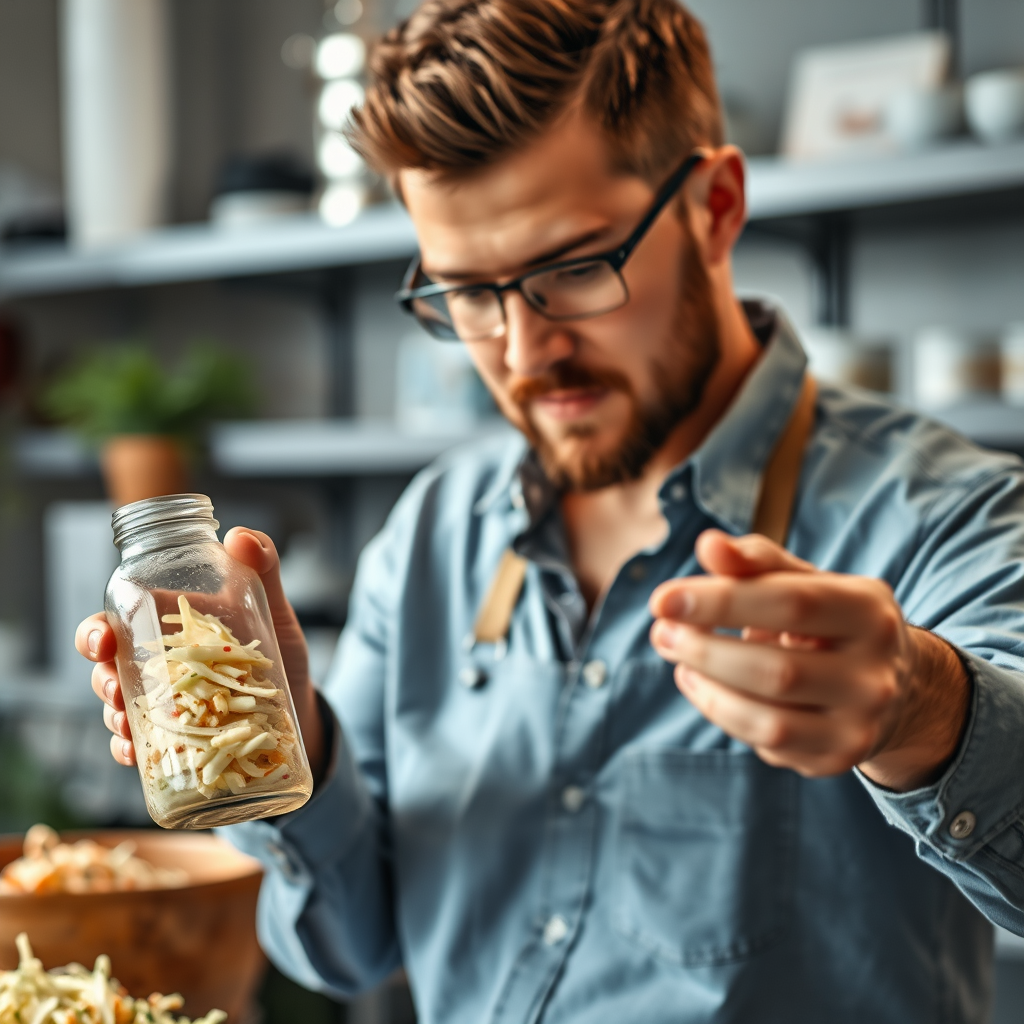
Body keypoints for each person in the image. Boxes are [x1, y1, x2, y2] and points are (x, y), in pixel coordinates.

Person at [77, 1, 1024, 1020]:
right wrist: (291, 751)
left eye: (574, 270)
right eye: (467, 295)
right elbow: (349, 951)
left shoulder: (941, 512)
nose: (523, 356)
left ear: (714, 206)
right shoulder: (435, 531)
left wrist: (924, 708)